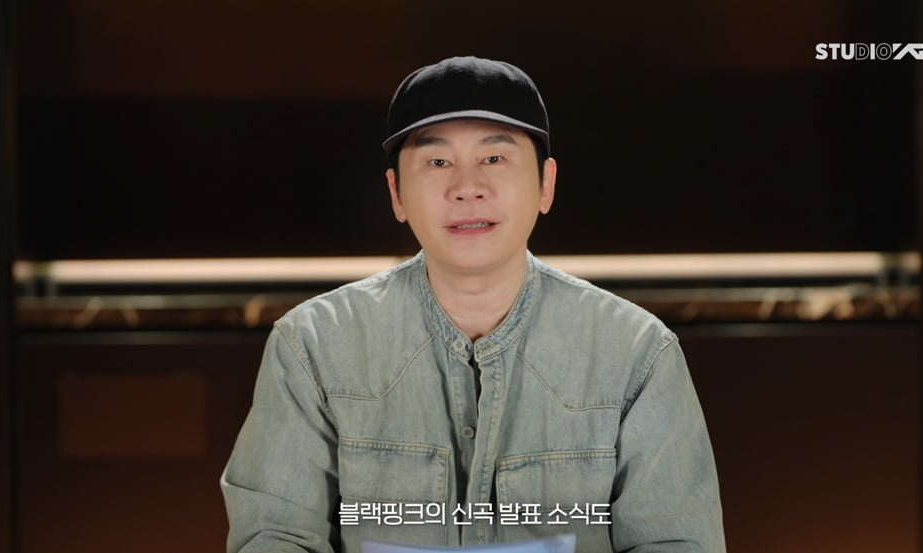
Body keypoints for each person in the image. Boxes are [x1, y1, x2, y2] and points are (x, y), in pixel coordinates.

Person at [221, 56, 725, 553]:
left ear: (546, 184)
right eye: (438, 162)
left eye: (494, 159)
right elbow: (275, 536)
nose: (467, 188)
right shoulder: (312, 345)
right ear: (397, 193)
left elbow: (675, 543)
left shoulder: (636, 352)